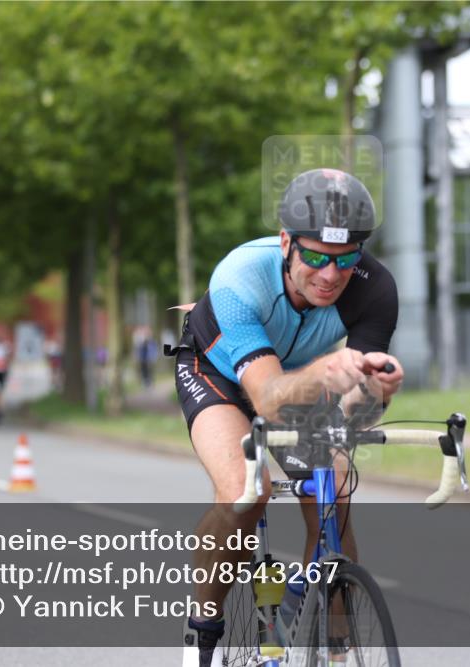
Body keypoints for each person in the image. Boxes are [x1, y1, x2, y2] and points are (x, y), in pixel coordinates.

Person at [168, 169, 403, 666]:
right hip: (219, 372)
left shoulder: (376, 289)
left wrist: (376, 393)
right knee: (243, 492)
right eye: (315, 256)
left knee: (334, 485)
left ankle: (333, 643)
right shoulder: (238, 277)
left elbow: (351, 416)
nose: (330, 275)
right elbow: (270, 399)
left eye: (346, 259)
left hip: (298, 377)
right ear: (285, 243)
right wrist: (330, 372)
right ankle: (203, 627)